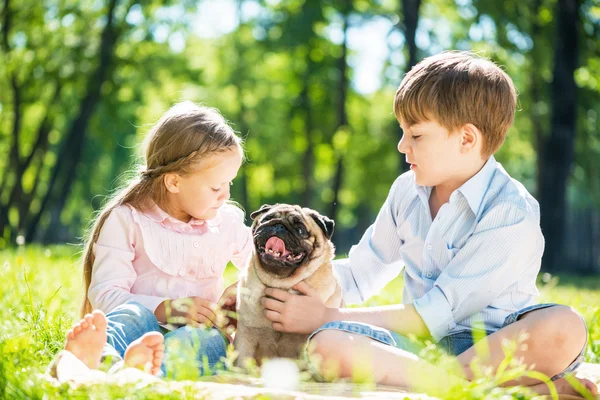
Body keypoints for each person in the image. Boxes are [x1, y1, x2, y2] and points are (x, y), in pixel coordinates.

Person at [261, 51, 598, 397]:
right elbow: (359, 273)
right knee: (327, 344)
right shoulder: (406, 191)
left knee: (564, 326)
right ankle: (508, 392)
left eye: (416, 135)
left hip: (496, 346)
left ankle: (459, 384)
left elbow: (435, 313)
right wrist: (278, 292)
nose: (402, 145)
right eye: (403, 131)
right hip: (416, 350)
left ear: (467, 139)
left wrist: (323, 316)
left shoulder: (511, 211)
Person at [79, 101, 252, 377]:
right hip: (142, 327)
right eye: (216, 187)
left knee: (203, 340)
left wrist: (242, 290)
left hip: (198, 332)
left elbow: (262, 268)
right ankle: (102, 359)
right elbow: (106, 294)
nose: (226, 195)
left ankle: (140, 372)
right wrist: (167, 309)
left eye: (229, 183)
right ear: (173, 182)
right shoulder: (128, 220)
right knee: (130, 317)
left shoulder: (226, 221)